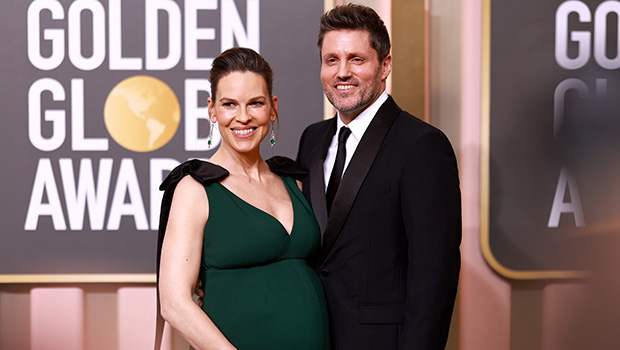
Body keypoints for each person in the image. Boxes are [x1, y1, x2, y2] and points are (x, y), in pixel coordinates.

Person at [296, 4, 461, 350]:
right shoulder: (311, 139)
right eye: (331, 60)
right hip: (311, 335)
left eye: (356, 59)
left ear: (384, 65)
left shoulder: (422, 145)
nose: (342, 72)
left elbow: (435, 274)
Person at [156, 47, 330, 350]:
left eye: (256, 103)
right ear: (212, 110)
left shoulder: (294, 181)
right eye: (229, 104)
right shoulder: (194, 189)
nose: (243, 117)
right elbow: (174, 304)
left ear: (273, 108)